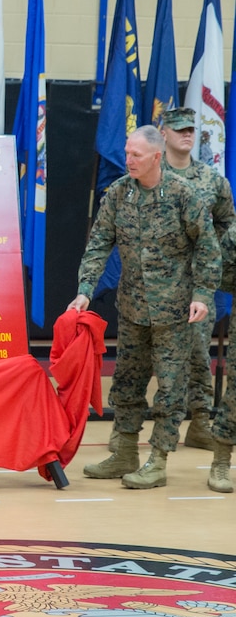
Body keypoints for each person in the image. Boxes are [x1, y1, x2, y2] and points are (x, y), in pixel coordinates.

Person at [68, 125, 221, 489]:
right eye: (126, 153)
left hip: (175, 313)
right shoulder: (120, 194)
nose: (128, 160)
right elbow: (100, 242)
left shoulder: (184, 194)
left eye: (136, 155)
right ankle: (123, 451)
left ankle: (158, 459)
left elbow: (208, 247)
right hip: (134, 309)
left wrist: (202, 293)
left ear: (156, 156)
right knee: (127, 382)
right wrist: (85, 290)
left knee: (169, 389)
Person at [102, 108, 236, 467]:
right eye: (179, 130)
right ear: (164, 136)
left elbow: (222, 226)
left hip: (191, 292)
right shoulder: (132, 185)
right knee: (133, 367)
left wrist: (208, 274)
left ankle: (198, 421)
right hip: (143, 295)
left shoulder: (208, 181)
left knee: (191, 361)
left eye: (192, 129)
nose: (187, 135)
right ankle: (125, 438)